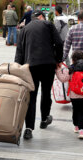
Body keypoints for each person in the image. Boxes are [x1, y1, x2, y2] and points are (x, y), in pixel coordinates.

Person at [15, 10, 63, 140]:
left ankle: (29, 128)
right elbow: (59, 43)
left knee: (31, 96)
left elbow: (19, 51)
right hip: (48, 65)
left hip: (30, 66)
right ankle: (44, 119)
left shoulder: (24, 29)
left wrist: (18, 68)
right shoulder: (48, 25)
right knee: (46, 92)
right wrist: (59, 60)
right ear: (41, 17)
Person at [56, 50, 83, 139]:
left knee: (76, 111)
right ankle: (82, 131)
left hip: (74, 96)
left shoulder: (71, 69)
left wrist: (58, 69)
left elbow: (63, 79)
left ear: (72, 60)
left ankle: (76, 126)